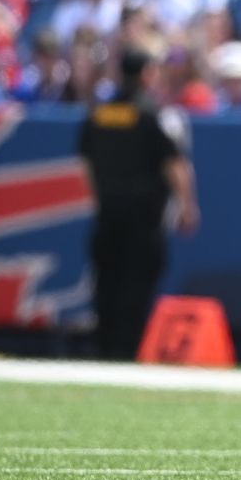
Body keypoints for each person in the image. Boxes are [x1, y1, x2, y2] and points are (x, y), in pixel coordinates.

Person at [78, 48, 199, 360]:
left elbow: (87, 163)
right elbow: (174, 163)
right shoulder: (152, 114)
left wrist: (100, 197)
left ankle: (104, 346)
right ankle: (127, 348)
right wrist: (188, 206)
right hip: (144, 217)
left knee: (106, 283)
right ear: (147, 74)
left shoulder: (100, 113)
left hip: (108, 213)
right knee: (137, 284)